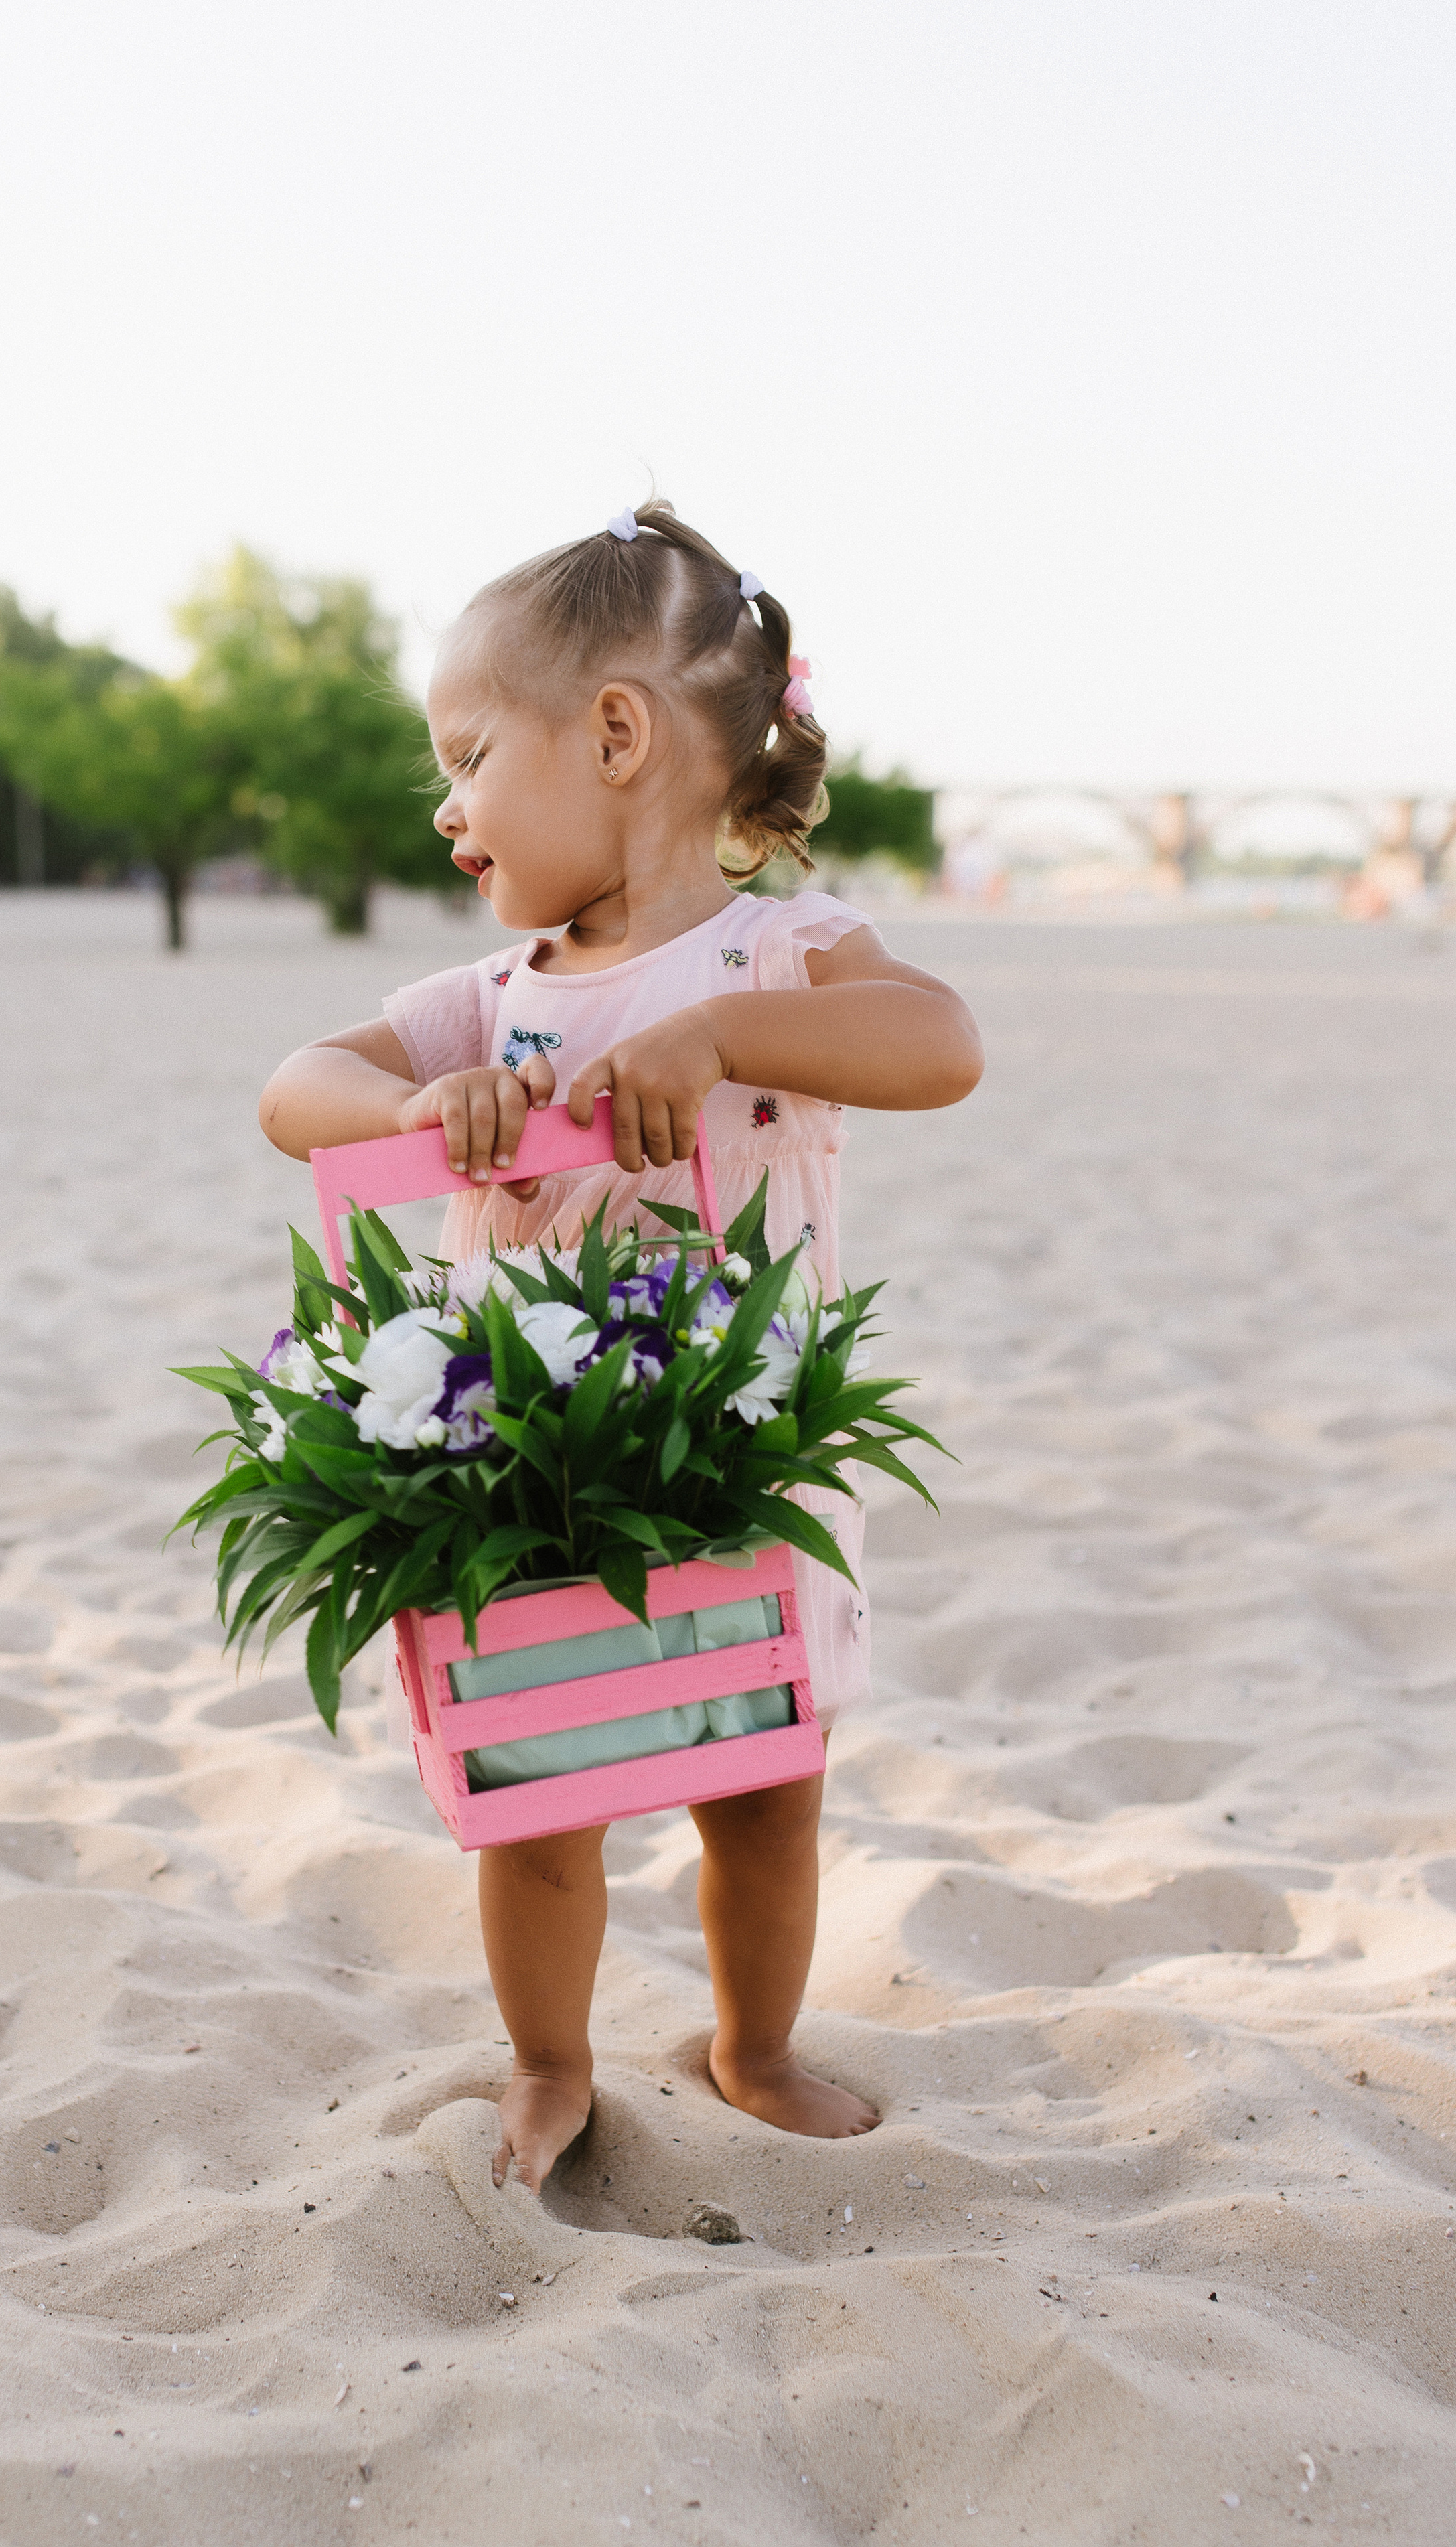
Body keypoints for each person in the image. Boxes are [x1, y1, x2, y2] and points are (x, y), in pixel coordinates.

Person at [259, 500, 984, 2193]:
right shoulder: (491, 1000)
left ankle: (750, 2041)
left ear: (610, 733)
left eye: (464, 754)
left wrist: (724, 1028)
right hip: (534, 1466)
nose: (444, 807)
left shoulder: (770, 958)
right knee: (537, 1786)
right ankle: (547, 2057)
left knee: (764, 1781)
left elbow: (939, 1042)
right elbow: (295, 1085)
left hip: (737, 1458)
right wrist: (419, 1098)